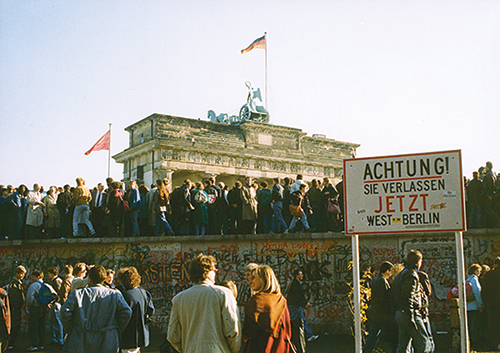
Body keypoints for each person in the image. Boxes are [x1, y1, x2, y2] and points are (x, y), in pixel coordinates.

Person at [167, 253, 240, 353]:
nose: (216, 272)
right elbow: (233, 330)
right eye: (214, 269)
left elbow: (172, 336)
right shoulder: (224, 294)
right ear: (207, 272)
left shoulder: (179, 299)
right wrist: (233, 350)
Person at [61, 265, 132, 353]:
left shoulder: (77, 294)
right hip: (107, 338)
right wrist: (116, 328)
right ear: (104, 279)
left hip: (80, 338)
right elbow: (126, 312)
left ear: (89, 279)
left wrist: (71, 328)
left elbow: (65, 312)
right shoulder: (115, 294)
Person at [242, 265, 293, 353]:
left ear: (263, 279)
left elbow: (248, 331)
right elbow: (287, 330)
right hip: (280, 347)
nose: (251, 281)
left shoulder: (256, 301)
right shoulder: (281, 300)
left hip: (259, 347)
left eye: (254, 278)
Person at [392, 250, 432, 353]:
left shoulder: (400, 274)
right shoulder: (411, 274)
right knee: (424, 342)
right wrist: (411, 317)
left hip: (400, 312)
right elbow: (408, 296)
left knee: (404, 345)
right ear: (418, 262)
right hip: (410, 312)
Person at [117, 267, 155, 353]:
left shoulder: (122, 295)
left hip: (126, 336)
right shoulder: (143, 293)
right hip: (141, 335)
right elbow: (151, 311)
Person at [363, 261, 396, 353]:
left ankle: (369, 350)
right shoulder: (382, 281)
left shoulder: (377, 279)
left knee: (375, 334)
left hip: (377, 312)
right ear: (387, 271)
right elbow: (384, 298)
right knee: (375, 334)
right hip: (381, 313)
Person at [26, 270, 58, 351]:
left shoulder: (33, 286)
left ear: (37, 277)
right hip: (43, 308)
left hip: (35, 308)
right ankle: (41, 344)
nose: (32, 278)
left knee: (33, 326)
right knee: (42, 326)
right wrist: (49, 303)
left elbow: (29, 298)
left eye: (33, 276)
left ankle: (34, 345)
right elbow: (55, 295)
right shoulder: (47, 285)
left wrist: (30, 305)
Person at [286, 270, 317, 353]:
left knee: (301, 320)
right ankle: (288, 336)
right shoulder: (295, 284)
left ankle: (309, 335)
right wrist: (305, 303)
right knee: (292, 321)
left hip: (295, 306)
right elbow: (297, 296)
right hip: (294, 306)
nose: (302, 275)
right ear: (297, 275)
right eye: (300, 274)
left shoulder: (295, 284)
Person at [481, 256, 500, 351]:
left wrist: (486, 301)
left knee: (493, 325)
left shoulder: (490, 275)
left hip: (492, 304)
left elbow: (485, 290)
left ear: (495, 264)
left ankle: (494, 344)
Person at [5, 266, 24, 350]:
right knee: (14, 326)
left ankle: (11, 344)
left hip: (15, 309)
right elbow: (14, 299)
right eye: (21, 274)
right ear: (17, 273)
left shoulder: (16, 283)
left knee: (15, 326)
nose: (22, 276)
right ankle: (10, 344)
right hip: (14, 309)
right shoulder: (14, 284)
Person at [465, 264, 483, 351]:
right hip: (474, 306)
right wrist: (480, 305)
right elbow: (477, 293)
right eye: (479, 271)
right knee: (473, 326)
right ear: (475, 271)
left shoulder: (467, 280)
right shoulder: (474, 280)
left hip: (467, 306)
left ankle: (469, 343)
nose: (479, 273)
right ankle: (474, 343)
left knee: (469, 326)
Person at [47, 267, 65, 347]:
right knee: (54, 322)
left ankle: (59, 340)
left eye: (49, 273)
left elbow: (58, 295)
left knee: (57, 322)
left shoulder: (57, 281)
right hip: (55, 303)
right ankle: (56, 339)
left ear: (52, 273)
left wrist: (52, 302)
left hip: (56, 304)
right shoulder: (56, 280)